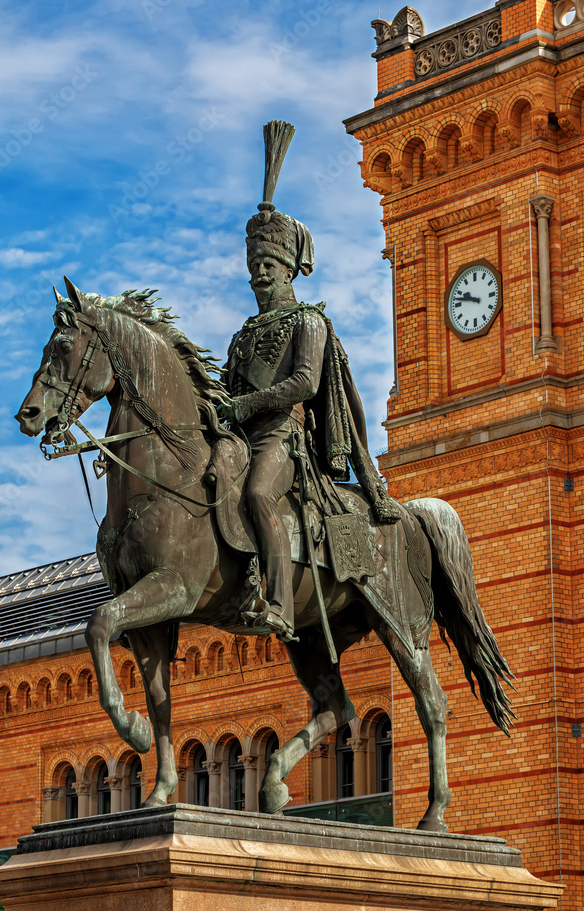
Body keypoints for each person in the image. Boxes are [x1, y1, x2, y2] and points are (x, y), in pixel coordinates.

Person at [217, 122, 399, 642]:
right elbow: (228, 390)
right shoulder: (244, 333)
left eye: (268, 264)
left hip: (282, 437)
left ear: (290, 270)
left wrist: (249, 404)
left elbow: (301, 383)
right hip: (242, 436)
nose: (258, 274)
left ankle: (276, 600)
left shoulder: (308, 323)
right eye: (254, 265)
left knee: (255, 494)